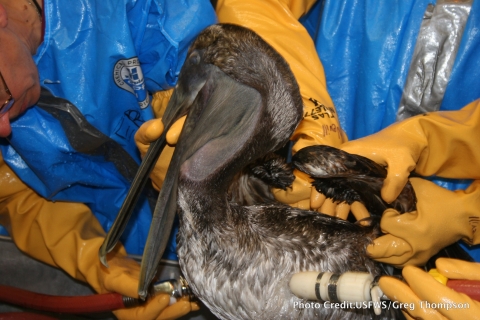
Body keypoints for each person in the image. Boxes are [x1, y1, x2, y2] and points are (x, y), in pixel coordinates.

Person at [136, 0, 480, 318]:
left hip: (458, 274)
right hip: (319, 186)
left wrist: (467, 213)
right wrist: (313, 129)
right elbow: (255, 7)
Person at [0, 0, 216, 318]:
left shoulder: (119, 9)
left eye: (0, 93)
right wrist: (97, 260)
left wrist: (196, 145)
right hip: (143, 250)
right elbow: (18, 200)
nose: (4, 128)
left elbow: (210, 68)